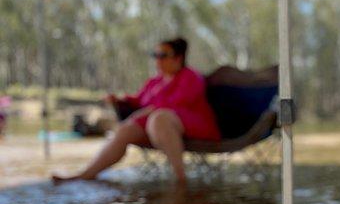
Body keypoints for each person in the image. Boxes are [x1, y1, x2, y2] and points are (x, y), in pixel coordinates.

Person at [53, 37, 220, 185]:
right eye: (156, 55)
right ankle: (85, 174)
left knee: (159, 118)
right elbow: (138, 100)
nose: (158, 60)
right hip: (155, 130)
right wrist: (119, 100)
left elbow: (177, 104)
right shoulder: (155, 81)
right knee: (125, 130)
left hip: (192, 126)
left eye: (163, 55)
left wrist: (145, 112)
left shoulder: (191, 77)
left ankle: (180, 179)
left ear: (178, 58)